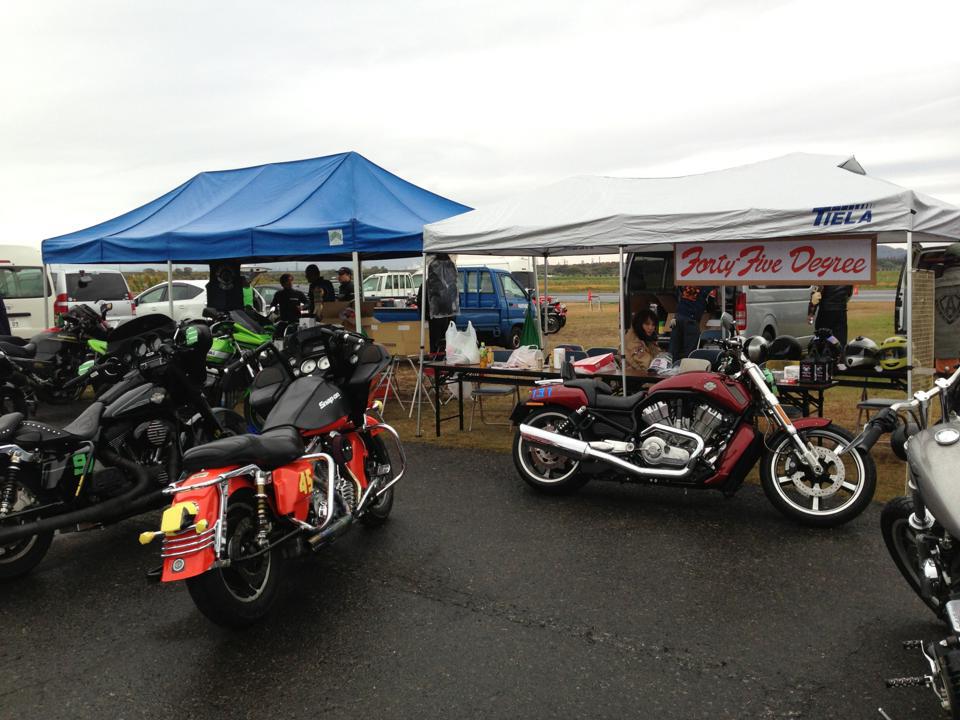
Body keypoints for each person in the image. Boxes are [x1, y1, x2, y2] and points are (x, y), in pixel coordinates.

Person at [669, 285, 715, 363]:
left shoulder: (690, 282)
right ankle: (685, 368)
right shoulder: (710, 287)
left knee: (673, 351)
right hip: (691, 320)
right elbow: (711, 307)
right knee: (689, 353)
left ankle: (671, 367)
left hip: (678, 317)